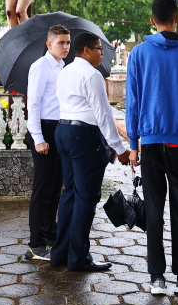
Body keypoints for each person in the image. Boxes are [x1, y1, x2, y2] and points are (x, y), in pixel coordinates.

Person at [126, 0, 178, 295]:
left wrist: (133, 144)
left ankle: (156, 279)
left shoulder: (138, 54)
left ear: (152, 20)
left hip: (149, 142)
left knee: (154, 210)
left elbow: (132, 102)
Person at [52, 31, 130, 271]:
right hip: (84, 136)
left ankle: (60, 254)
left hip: (63, 131)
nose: (102, 53)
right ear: (86, 50)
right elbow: (103, 115)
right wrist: (120, 148)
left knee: (70, 194)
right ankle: (79, 257)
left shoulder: (65, 71)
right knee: (86, 198)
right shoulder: (92, 75)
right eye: (98, 48)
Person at [24, 24, 71, 262]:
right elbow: (33, 103)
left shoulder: (62, 66)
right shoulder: (41, 66)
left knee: (55, 188)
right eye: (61, 42)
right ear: (49, 44)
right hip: (44, 129)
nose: (65, 46)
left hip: (59, 129)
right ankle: (35, 244)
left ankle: (51, 237)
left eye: (68, 42)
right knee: (42, 190)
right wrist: (38, 138)